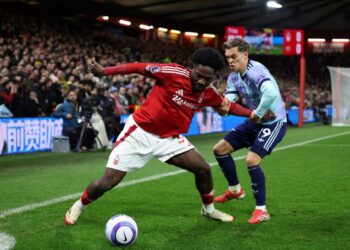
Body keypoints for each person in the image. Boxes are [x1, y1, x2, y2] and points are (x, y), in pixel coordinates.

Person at [64, 47, 259, 225]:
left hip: (169, 138)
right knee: (107, 182)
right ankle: (79, 205)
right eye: (199, 76)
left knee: (203, 169)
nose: (202, 81)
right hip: (139, 133)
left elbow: (228, 105)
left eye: (207, 79)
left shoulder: (208, 92)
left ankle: (208, 210)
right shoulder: (172, 73)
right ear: (193, 68)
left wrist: (251, 114)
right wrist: (106, 71)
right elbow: (138, 67)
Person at [213, 38, 287, 224]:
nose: (230, 61)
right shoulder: (234, 77)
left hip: (273, 123)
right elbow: (229, 102)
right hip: (255, 121)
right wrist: (222, 105)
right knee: (220, 149)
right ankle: (235, 190)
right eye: (228, 57)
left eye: (234, 57)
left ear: (245, 55)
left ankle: (262, 210)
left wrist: (258, 114)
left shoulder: (257, 71)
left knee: (252, 160)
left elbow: (270, 93)